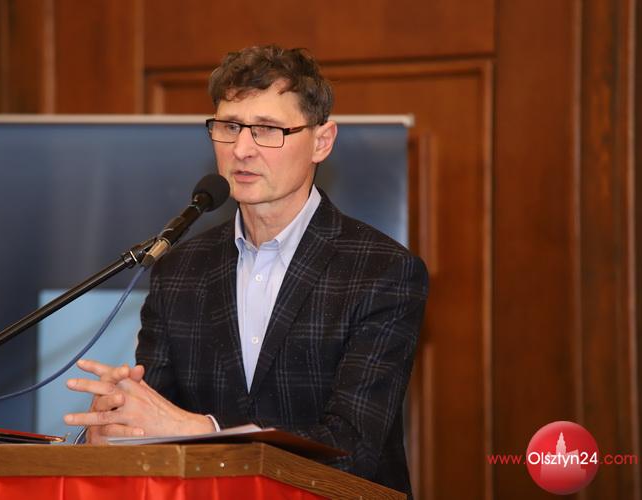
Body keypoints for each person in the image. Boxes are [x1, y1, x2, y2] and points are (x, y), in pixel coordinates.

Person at [63, 45, 428, 495]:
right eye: (230, 127)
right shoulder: (179, 271)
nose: (241, 149)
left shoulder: (382, 270)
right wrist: (117, 425)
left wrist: (206, 430)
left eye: (267, 130)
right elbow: (157, 424)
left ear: (321, 141)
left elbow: (352, 449)